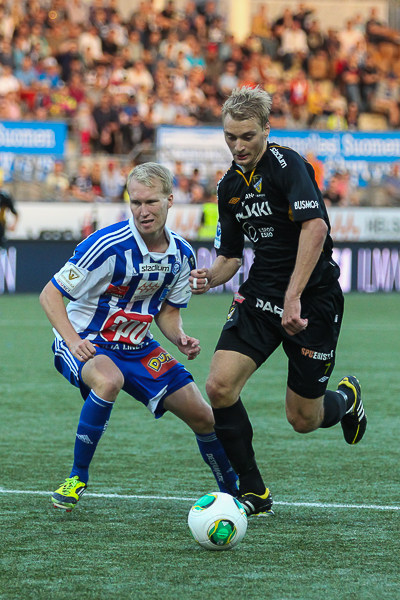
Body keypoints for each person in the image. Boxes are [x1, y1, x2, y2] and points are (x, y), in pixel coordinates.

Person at [189, 86, 367, 517]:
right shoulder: (228, 186)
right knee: (218, 386)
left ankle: (347, 399)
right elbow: (231, 257)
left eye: (247, 136)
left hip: (314, 298)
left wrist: (294, 298)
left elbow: (316, 230)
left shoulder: (288, 166)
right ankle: (254, 492)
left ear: (266, 130)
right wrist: (208, 277)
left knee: (303, 419)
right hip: (261, 293)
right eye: (230, 137)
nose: (238, 145)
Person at [39, 162, 238, 512]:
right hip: (88, 340)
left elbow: (167, 310)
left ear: (170, 201)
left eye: (151, 202)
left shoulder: (182, 255)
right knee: (108, 380)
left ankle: (235, 496)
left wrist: (179, 338)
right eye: (135, 202)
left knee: (204, 416)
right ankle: (77, 477)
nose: (142, 211)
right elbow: (49, 296)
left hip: (138, 346)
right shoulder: (105, 244)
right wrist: (73, 341)